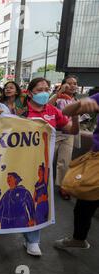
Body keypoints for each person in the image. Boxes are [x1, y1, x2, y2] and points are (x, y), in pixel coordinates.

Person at [20, 77, 80, 256]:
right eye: (39, 90)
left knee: (38, 201)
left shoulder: (53, 111)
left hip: (42, 168)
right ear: (30, 93)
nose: (44, 92)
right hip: (20, 165)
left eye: (47, 88)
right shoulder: (21, 112)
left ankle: (33, 240)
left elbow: (72, 130)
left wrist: (76, 116)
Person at [54, 95, 99, 250]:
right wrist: (79, 104)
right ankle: (79, 239)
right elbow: (66, 110)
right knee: (84, 204)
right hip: (95, 162)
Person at [49, 75, 79, 200]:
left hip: (69, 134)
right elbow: (47, 106)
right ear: (63, 84)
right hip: (54, 133)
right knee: (48, 159)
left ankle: (63, 187)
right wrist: (59, 92)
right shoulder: (56, 97)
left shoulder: (76, 101)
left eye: (75, 83)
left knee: (65, 161)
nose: (72, 86)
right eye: (69, 83)